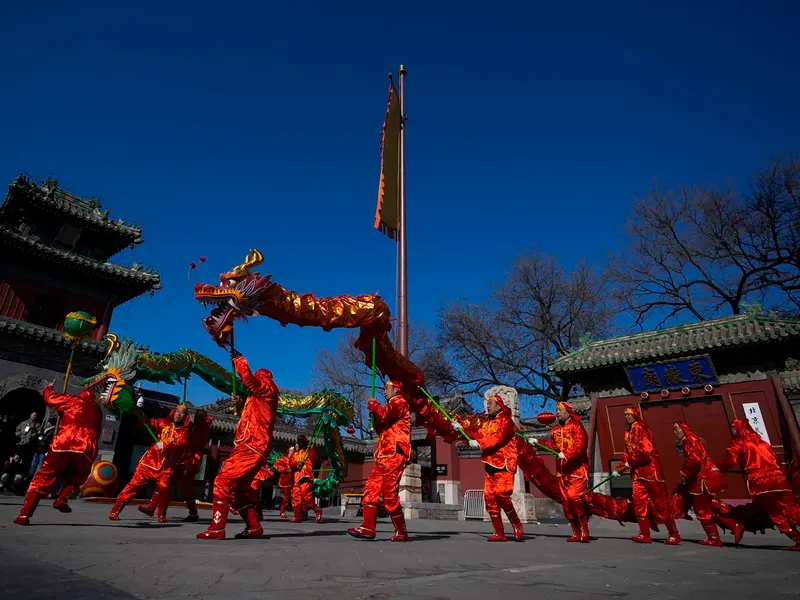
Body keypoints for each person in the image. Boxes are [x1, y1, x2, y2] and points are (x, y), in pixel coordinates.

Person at [196, 351, 279, 540]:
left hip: (251, 446)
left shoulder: (267, 388)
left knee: (222, 481)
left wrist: (239, 361)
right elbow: (254, 417)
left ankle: (217, 528)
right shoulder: (260, 399)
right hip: (254, 446)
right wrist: (240, 405)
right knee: (239, 490)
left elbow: (249, 379)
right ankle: (254, 526)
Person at [14, 383, 103, 524]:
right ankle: (62, 498)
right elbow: (97, 432)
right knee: (77, 476)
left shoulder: (72, 400)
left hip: (63, 442)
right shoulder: (97, 410)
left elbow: (50, 399)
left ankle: (24, 515)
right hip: (85, 447)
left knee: (44, 476)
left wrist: (48, 388)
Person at [718, 419, 800, 551]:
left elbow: (729, 461)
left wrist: (718, 468)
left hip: (762, 483)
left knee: (775, 513)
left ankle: (798, 539)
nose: (732, 431)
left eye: (733, 428)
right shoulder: (763, 443)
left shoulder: (739, 443)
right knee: (792, 508)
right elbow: (776, 460)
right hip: (779, 479)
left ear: (738, 429)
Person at [452, 394, 524, 542]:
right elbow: (476, 435)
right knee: (490, 498)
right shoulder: (486, 423)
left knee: (502, 495)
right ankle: (499, 532)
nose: (488, 406)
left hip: (503, 463)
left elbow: (498, 438)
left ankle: (516, 523)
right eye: (488, 403)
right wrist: (462, 430)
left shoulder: (505, 421)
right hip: (489, 464)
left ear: (499, 406)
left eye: (491, 403)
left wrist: (479, 443)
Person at [347, 380, 412, 542]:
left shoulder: (399, 402)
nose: (384, 391)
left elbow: (384, 414)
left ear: (396, 389)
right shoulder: (391, 406)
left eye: (387, 388)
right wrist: (374, 415)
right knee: (371, 489)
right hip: (383, 455)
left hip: (394, 454)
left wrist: (373, 405)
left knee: (389, 496)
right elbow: (380, 427)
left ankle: (401, 531)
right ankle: (367, 527)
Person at [109, 403, 190, 522]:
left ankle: (161, 515)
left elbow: (181, 444)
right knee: (133, 485)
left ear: (185, 417)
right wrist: (140, 414)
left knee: (164, 488)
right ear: (173, 412)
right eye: (177, 411)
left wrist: (166, 445)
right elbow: (149, 423)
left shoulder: (184, 432)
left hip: (166, 466)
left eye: (182, 413)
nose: (179, 414)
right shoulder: (164, 423)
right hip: (150, 461)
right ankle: (115, 511)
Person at [614, 407, 681, 545]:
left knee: (660, 503)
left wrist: (630, 462)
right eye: (625, 415)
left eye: (629, 415)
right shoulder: (628, 432)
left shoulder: (641, 428)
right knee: (638, 503)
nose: (627, 417)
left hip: (650, 472)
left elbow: (645, 451)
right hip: (637, 474)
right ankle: (644, 534)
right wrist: (619, 468)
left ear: (635, 415)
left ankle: (674, 533)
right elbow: (627, 454)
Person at [672, 422, 742, 546]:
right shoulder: (692, 441)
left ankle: (715, 537)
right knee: (707, 506)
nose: (674, 433)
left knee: (701, 509)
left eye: (676, 430)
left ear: (683, 430)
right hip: (703, 478)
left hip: (702, 480)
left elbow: (694, 460)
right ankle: (733, 525)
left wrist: (684, 473)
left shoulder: (690, 442)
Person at [142, 408, 214, 522]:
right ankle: (153, 507)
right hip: (179, 459)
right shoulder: (191, 426)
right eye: (196, 416)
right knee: (166, 481)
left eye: (200, 417)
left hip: (190, 462)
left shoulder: (203, 430)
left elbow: (194, 443)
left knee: (185, 489)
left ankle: (193, 512)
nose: (196, 418)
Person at [538, 401, 590, 542]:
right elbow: (552, 446)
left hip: (577, 470)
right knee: (566, 502)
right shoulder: (554, 429)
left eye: (560, 410)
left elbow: (581, 445)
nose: (558, 412)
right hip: (562, 471)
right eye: (557, 410)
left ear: (568, 412)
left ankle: (584, 529)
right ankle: (575, 532)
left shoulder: (576, 426)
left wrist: (567, 454)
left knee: (574, 497)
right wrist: (538, 442)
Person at [289, 434, 323, 523]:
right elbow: (291, 465)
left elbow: (314, 459)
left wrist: (311, 448)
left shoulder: (308, 451)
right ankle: (297, 516)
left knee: (306, 496)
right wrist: (297, 464)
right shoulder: (295, 454)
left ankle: (317, 510)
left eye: (301, 440)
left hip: (306, 476)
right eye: (298, 441)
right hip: (297, 477)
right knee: (296, 497)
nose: (299, 442)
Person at [26, 415, 57, 484]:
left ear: (51, 424)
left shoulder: (52, 432)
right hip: (37, 450)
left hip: (43, 452)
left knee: (41, 468)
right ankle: (28, 482)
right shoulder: (43, 430)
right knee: (33, 467)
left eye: (48, 423)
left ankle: (37, 483)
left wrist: (47, 450)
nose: (47, 424)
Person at [274, 447, 295, 518]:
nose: (292, 451)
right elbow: (276, 464)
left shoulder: (295, 459)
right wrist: (284, 469)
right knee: (285, 497)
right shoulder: (283, 458)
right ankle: (282, 511)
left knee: (295, 495)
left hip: (294, 479)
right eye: (291, 450)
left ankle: (297, 511)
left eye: (293, 450)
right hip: (285, 480)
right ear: (288, 451)